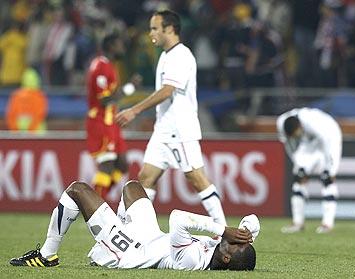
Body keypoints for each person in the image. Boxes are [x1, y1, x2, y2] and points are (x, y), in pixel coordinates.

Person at [115, 10, 227, 226]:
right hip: (164, 129)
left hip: (180, 129)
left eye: (155, 28)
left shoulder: (181, 55)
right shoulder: (166, 55)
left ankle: (224, 230)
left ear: (170, 29)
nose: (150, 33)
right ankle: (132, 231)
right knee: (146, 177)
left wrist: (134, 110)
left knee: (196, 177)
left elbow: (168, 91)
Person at [9, 180, 259, 271]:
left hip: (132, 252)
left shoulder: (193, 260)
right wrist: (245, 232)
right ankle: (112, 228)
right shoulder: (224, 249)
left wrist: (222, 229)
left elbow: (177, 218)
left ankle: (46, 255)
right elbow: (253, 222)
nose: (236, 239)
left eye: (236, 244)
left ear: (226, 258)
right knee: (132, 187)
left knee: (77, 190)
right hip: (150, 236)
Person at [276, 107, 342, 234]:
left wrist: (331, 168)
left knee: (327, 178)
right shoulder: (281, 123)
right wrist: (298, 164)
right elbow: (289, 145)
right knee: (298, 177)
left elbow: (329, 143)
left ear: (300, 126)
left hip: (330, 135)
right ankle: (297, 223)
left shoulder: (313, 123)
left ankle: (327, 224)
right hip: (308, 142)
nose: (295, 137)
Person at [86, 33, 129, 199]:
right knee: (107, 165)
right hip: (100, 122)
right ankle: (95, 210)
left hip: (112, 122)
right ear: (111, 46)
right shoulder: (100, 66)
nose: (122, 48)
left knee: (122, 164)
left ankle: (98, 201)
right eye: (120, 44)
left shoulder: (110, 66)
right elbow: (104, 100)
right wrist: (128, 89)